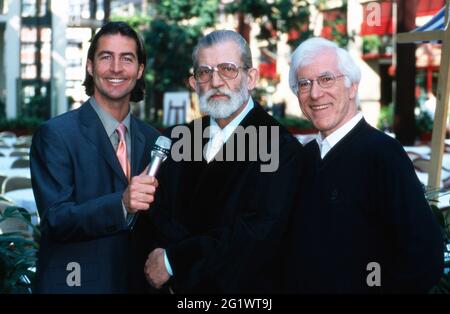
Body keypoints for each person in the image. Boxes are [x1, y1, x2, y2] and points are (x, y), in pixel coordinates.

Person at [141, 30, 303, 293]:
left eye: (228, 69)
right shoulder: (180, 139)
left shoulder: (280, 147)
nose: (215, 81)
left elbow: (254, 239)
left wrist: (173, 262)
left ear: (251, 78)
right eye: (204, 72)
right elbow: (156, 217)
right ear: (194, 83)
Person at [284, 37, 444, 293]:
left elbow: (425, 256)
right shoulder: (305, 158)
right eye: (304, 84)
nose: (315, 93)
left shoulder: (382, 154)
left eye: (326, 79)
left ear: (352, 87)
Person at [30, 21, 160, 293]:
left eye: (127, 58)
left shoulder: (153, 140)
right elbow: (56, 219)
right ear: (90, 66)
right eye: (106, 57)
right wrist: (122, 204)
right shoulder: (55, 134)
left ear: (139, 70)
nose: (115, 68)